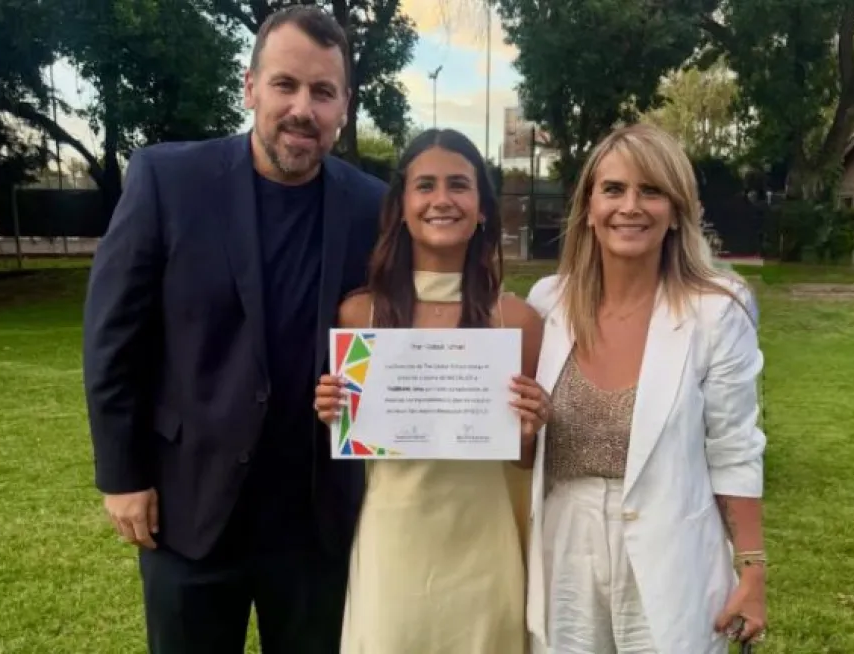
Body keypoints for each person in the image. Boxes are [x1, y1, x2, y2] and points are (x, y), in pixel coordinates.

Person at [81, 7, 385, 653]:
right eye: (285, 85)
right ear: (250, 88)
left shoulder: (372, 206)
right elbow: (113, 337)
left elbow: (408, 320)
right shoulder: (168, 180)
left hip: (315, 523)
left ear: (343, 106)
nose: (302, 108)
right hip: (188, 507)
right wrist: (122, 475)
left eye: (322, 91)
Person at [524, 123, 767, 653]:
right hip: (564, 550)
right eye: (613, 189)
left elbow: (735, 449)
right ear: (589, 208)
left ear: (677, 211)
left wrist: (752, 569)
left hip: (671, 552)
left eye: (651, 191)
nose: (630, 207)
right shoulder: (548, 302)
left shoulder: (716, 311)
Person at [313, 128, 550, 654]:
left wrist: (532, 429)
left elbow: (525, 463)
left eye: (458, 185)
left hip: (484, 546)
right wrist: (333, 410)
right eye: (425, 186)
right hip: (392, 545)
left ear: (482, 209)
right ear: (401, 207)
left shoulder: (518, 321)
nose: (442, 199)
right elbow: (350, 452)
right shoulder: (360, 315)